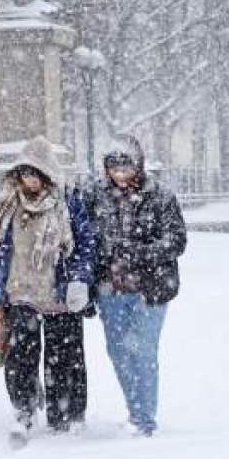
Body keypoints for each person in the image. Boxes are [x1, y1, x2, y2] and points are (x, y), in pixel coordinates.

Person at [0, 136, 95, 440]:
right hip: (20, 294)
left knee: (64, 357)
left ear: (47, 174)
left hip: (58, 296)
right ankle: (24, 411)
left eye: (35, 174)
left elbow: (84, 245)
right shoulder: (7, 205)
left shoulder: (68, 204)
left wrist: (79, 279)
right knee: (20, 359)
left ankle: (65, 414)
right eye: (24, 174)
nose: (29, 181)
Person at [84, 135, 187, 436]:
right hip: (110, 289)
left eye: (125, 167)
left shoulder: (161, 197)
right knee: (118, 351)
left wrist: (140, 253)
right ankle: (135, 408)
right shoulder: (95, 195)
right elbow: (85, 238)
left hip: (150, 288)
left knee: (142, 350)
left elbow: (176, 240)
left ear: (138, 165)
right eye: (113, 167)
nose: (119, 174)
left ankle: (144, 419)